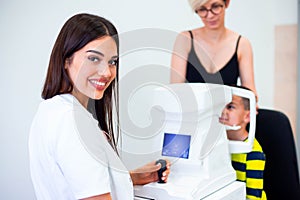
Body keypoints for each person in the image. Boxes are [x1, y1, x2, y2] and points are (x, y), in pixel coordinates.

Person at [28, 13, 170, 200]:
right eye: (94, 58)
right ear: (65, 59)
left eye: (112, 62)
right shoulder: (72, 121)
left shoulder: (51, 110)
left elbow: (76, 182)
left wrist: (133, 178)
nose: (106, 72)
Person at [170, 0, 258, 102]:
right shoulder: (185, 40)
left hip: (225, 116)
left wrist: (251, 105)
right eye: (202, 9)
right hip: (192, 113)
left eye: (215, 7)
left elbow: (250, 94)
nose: (210, 15)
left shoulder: (242, 44)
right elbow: (176, 90)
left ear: (227, 3)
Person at [219, 86, 266, 199]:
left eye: (230, 107)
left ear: (247, 116)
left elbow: (253, 196)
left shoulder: (254, 153)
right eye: (221, 106)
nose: (223, 111)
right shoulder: (217, 144)